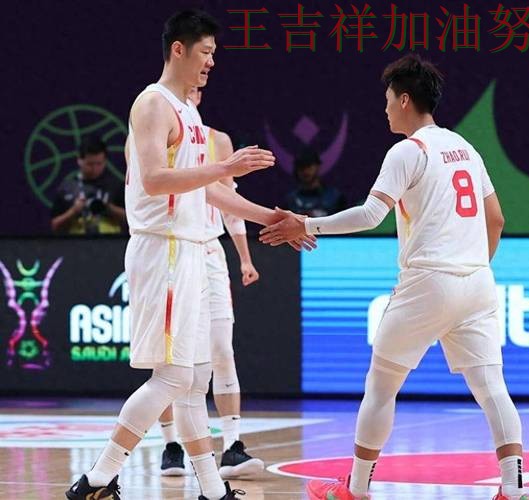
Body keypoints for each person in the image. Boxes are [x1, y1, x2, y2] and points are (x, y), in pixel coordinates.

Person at [65, 9, 312, 500]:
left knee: (196, 380)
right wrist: (226, 165)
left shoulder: (190, 113)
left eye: (214, 54)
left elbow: (210, 191)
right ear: (178, 49)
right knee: (174, 377)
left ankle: (213, 491)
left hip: (193, 251)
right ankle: (97, 478)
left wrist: (272, 217)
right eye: (206, 52)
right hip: (164, 250)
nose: (212, 62)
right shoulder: (151, 104)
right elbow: (156, 180)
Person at [261, 54, 529, 500]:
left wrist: (305, 224)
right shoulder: (466, 147)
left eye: (388, 99)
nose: (384, 108)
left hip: (428, 281)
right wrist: (470, 266)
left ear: (405, 100)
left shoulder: (408, 151)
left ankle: (356, 489)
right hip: (478, 282)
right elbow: (496, 220)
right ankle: (514, 489)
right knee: (492, 389)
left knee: (381, 386)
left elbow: (371, 215)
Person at [156, 86, 264, 480]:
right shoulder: (156, 125)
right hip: (173, 249)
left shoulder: (218, 140)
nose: (196, 90)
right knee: (171, 359)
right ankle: (171, 445)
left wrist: (245, 257)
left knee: (221, 350)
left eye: (202, 86)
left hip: (209, 251)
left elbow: (228, 203)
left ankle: (232, 446)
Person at [50, 135, 127, 234]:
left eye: (99, 163)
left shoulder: (116, 185)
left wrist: (108, 208)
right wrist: (74, 211)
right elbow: (54, 225)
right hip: (76, 241)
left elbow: (132, 220)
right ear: (79, 160)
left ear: (105, 161)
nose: (94, 169)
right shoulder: (67, 188)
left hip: (110, 240)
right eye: (90, 164)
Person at [284, 147, 347, 216]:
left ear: (318, 166)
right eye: (301, 167)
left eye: (309, 166)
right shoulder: (290, 202)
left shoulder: (335, 198)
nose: (305, 171)